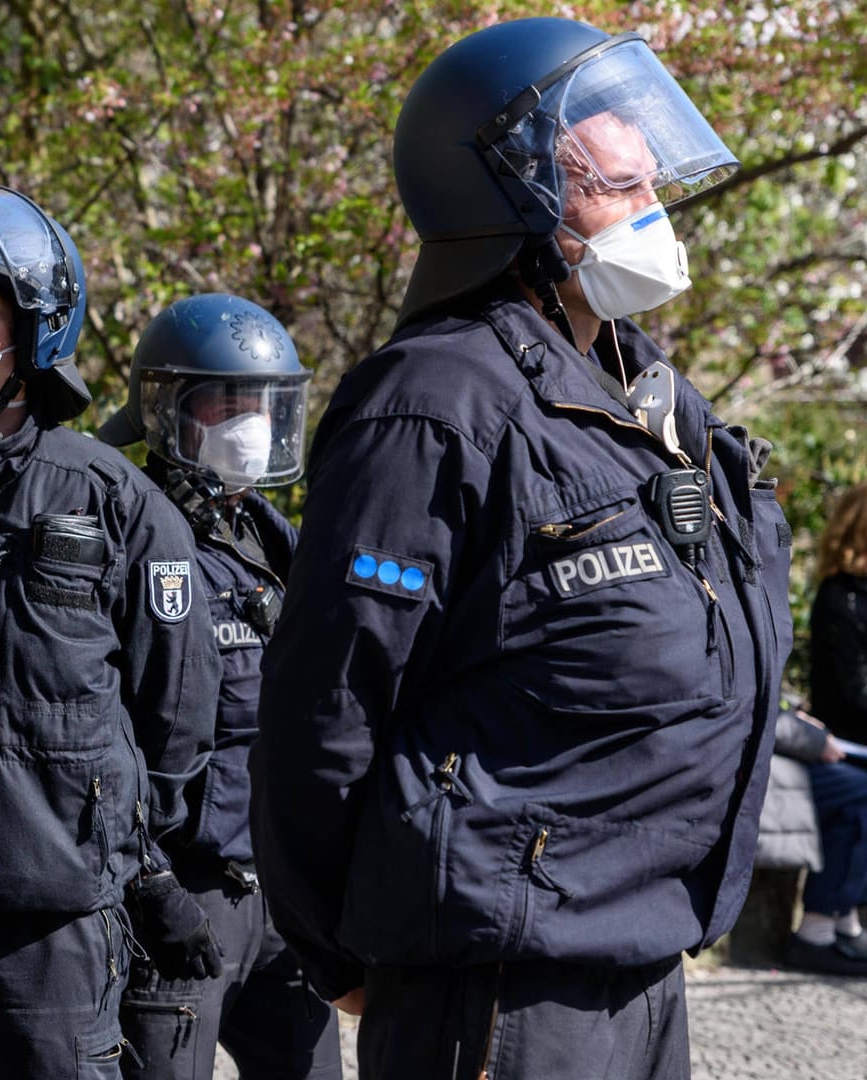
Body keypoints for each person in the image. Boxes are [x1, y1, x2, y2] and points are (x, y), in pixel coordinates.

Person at [249, 17, 793, 1079]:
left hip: (640, 951)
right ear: (517, 204)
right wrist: (333, 946)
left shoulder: (654, 397)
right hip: (499, 976)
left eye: (651, 186)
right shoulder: (433, 401)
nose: (654, 215)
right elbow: (327, 698)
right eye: (620, 190)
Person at [0, 185, 217, 1078]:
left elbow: (176, 707)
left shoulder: (110, 496)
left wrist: (126, 859)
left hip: (55, 923)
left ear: (32, 345)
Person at [98, 294, 339, 1079]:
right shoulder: (134, 537)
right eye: (226, 404)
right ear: (169, 412)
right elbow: (99, 734)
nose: (249, 424)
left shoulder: (271, 541)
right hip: (182, 897)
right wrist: (149, 881)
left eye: (262, 405)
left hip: (285, 900)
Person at [791, 483, 867, 972]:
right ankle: (820, 925)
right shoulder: (842, 597)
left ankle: (839, 923)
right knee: (859, 795)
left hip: (853, 747)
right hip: (837, 744)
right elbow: (852, 694)